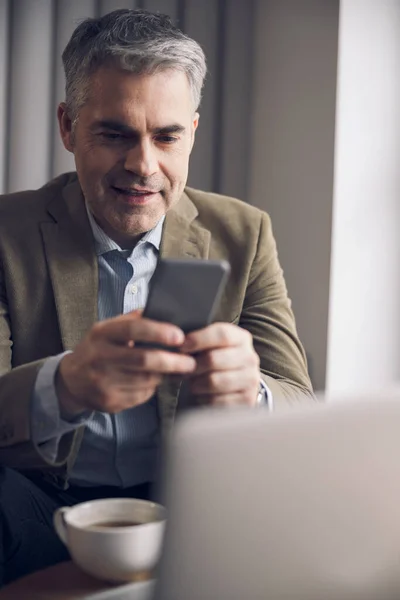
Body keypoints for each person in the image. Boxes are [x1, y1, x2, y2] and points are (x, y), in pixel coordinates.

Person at [0, 8, 314, 586]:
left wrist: (255, 393)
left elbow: (299, 401)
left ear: (191, 132)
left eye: (166, 137)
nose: (143, 166)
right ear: (68, 127)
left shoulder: (245, 233)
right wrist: (63, 386)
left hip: (192, 505)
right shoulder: (6, 232)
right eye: (114, 134)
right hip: (39, 500)